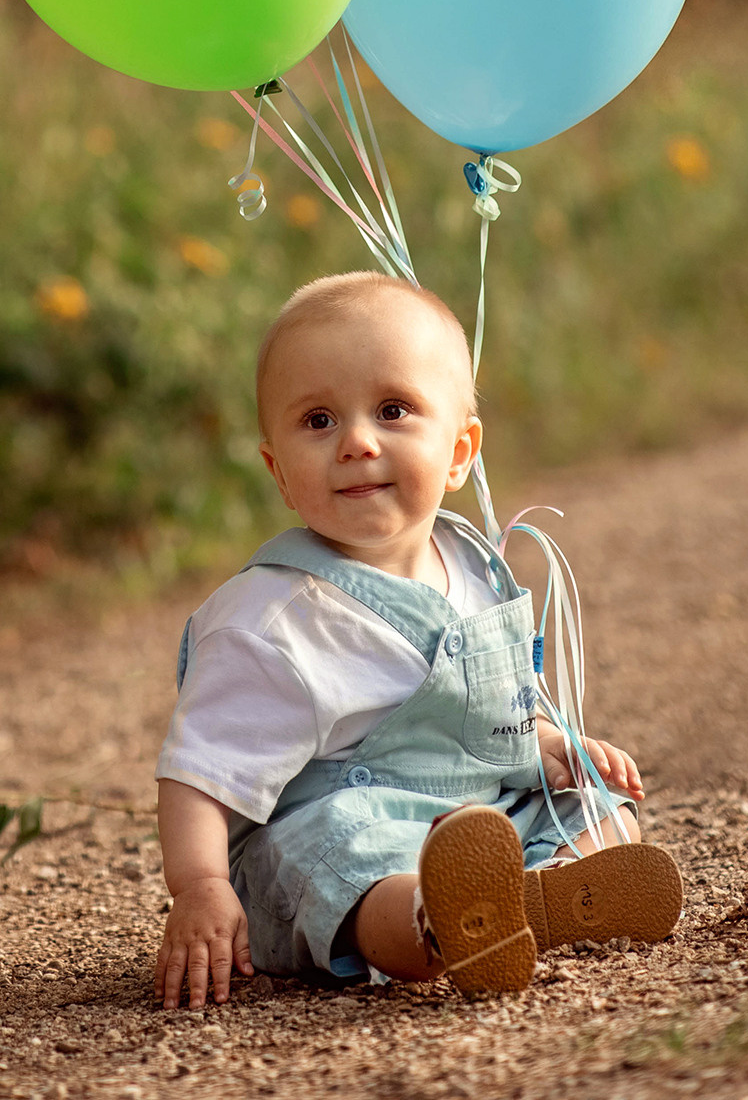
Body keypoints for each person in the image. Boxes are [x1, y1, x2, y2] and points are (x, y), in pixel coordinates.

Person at [154, 270, 684, 1007]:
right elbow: (200, 770)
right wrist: (201, 885)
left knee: (594, 805)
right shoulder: (271, 616)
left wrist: (545, 744)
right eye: (318, 421)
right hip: (344, 834)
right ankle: (435, 922)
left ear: (460, 451)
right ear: (278, 471)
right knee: (348, 855)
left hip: (480, 821)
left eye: (393, 410)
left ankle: (539, 896)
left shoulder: (475, 566)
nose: (357, 441)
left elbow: (489, 709)